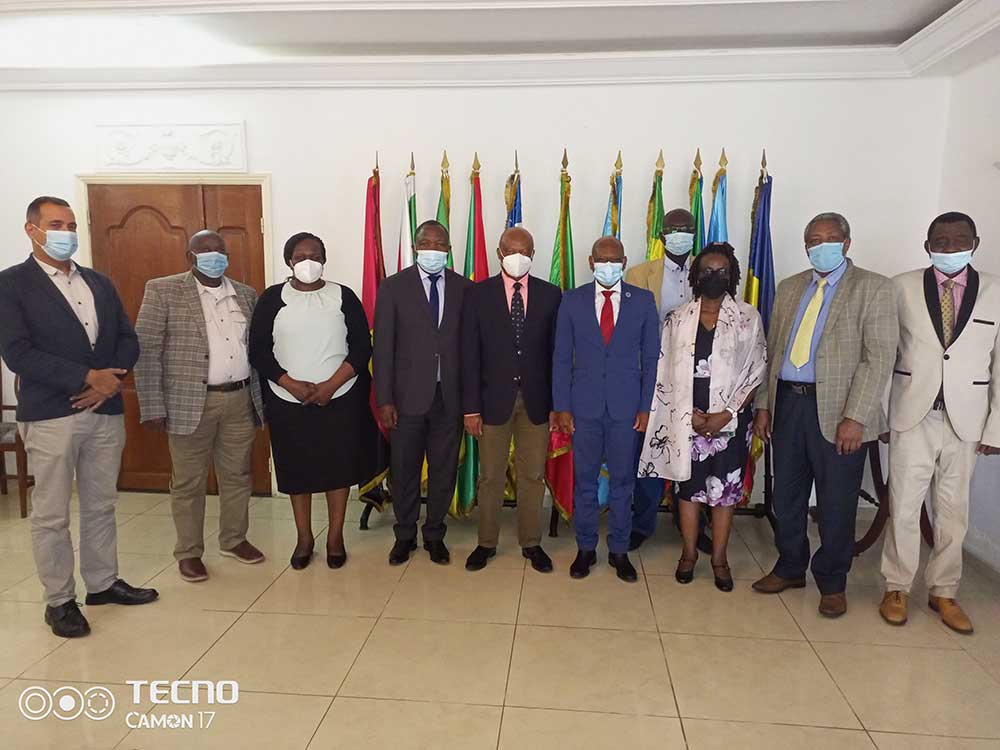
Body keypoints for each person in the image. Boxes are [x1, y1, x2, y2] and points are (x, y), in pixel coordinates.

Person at [0, 196, 157, 638]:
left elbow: (127, 338)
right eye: (56, 224)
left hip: (105, 410)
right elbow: (17, 353)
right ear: (32, 230)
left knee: (101, 503)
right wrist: (87, 377)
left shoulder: (99, 282)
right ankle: (59, 601)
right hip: (52, 413)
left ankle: (103, 583)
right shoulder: (11, 284)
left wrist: (110, 380)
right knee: (52, 513)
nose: (66, 232)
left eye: (70, 225)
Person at [752, 212, 898, 618]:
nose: (822, 245)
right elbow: (773, 352)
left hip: (840, 412)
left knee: (836, 501)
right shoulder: (790, 287)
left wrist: (856, 417)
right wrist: (764, 404)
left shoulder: (873, 288)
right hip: (788, 404)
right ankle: (790, 566)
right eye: (814, 240)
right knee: (787, 495)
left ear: (846, 243)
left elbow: (878, 358)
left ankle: (832, 582)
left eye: (830, 238)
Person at [879, 212, 1000, 634]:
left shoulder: (996, 293)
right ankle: (896, 586)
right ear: (927, 245)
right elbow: (885, 353)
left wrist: (995, 427)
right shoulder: (901, 287)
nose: (950, 248)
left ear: (975, 243)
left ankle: (944, 591)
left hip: (966, 420)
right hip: (912, 415)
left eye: (960, 240)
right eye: (941, 241)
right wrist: (880, 414)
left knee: (953, 510)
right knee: (903, 506)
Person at [135, 230, 265, 583]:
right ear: (190, 256)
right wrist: (152, 405)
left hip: (239, 399)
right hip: (189, 402)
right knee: (188, 482)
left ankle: (234, 539)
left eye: (219, 250)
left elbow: (255, 347)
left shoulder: (246, 294)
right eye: (204, 250)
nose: (213, 256)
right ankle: (189, 552)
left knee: (237, 475)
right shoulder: (163, 290)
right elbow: (146, 350)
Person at [249, 232, 385, 570]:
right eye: (300, 256)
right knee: (298, 470)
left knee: (338, 469)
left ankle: (335, 537)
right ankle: (304, 538)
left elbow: (361, 348)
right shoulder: (271, 298)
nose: (307, 262)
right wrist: (290, 384)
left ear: (324, 260)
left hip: (339, 398)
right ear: (289, 261)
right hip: (286, 399)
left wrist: (330, 385)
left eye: (315, 255)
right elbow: (259, 351)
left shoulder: (343, 296)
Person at [640, 243, 766, 591]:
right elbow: (663, 371)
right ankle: (689, 554)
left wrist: (726, 414)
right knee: (688, 491)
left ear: (732, 275)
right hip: (687, 422)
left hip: (729, 424)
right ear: (695, 276)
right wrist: (689, 416)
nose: (714, 277)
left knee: (724, 494)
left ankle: (720, 559)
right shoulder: (677, 318)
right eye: (707, 271)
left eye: (722, 271)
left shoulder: (747, 318)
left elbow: (756, 370)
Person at [553, 236, 659, 582]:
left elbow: (651, 359)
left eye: (615, 260)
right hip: (583, 407)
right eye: (602, 260)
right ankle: (585, 548)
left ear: (624, 262)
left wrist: (645, 407)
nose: (608, 265)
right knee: (584, 481)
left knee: (623, 482)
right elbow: (561, 358)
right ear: (590, 261)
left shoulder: (642, 301)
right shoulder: (572, 300)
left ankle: (619, 550)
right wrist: (562, 406)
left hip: (626, 408)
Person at [461, 226, 562, 573]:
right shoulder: (477, 294)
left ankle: (531, 543)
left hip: (537, 402)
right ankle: (486, 543)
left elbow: (557, 355)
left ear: (533, 255)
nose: (517, 258)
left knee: (532, 475)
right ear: (499, 253)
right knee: (490, 476)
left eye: (524, 252)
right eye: (511, 251)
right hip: (491, 402)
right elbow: (469, 355)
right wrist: (470, 408)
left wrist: (557, 405)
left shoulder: (551, 294)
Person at [373, 220, 472, 565]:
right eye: (426, 243)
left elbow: (470, 348)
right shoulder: (393, 287)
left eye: (440, 243)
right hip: (405, 399)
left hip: (450, 398)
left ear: (449, 249)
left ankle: (434, 534)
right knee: (405, 471)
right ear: (416, 248)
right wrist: (384, 399)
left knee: (444, 470)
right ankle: (404, 535)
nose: (433, 249)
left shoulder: (464, 288)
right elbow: (383, 348)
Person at [625, 208, 699, 550]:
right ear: (662, 235)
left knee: (695, 454)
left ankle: (693, 525)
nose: (680, 234)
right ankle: (643, 523)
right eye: (673, 228)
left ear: (694, 234)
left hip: (697, 380)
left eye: (686, 229)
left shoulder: (707, 270)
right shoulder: (640, 274)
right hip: (650, 378)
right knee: (648, 451)